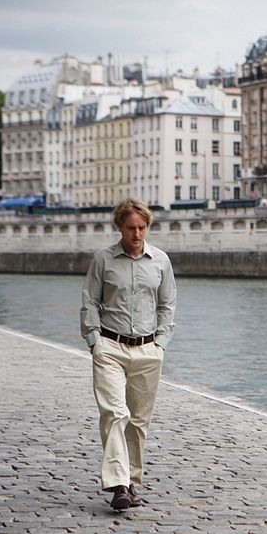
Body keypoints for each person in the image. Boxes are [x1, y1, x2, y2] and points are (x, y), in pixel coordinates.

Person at [80, 198, 177, 511]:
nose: (137, 233)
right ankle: (118, 485)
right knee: (115, 413)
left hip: (148, 350)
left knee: (137, 422)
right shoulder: (103, 260)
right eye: (131, 227)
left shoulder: (161, 261)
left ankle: (133, 482)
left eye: (142, 227)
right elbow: (90, 302)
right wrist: (94, 340)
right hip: (110, 347)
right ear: (119, 227)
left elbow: (167, 305)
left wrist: (160, 343)